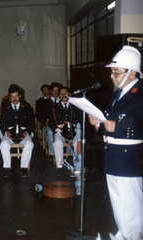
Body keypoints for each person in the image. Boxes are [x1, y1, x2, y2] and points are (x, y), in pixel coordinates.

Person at [89, 46, 143, 240]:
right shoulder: (117, 94)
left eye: (116, 72)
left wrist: (116, 128)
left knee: (131, 205)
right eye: (112, 72)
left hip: (128, 160)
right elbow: (110, 124)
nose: (112, 76)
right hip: (113, 156)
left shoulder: (139, 94)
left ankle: (134, 236)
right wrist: (99, 124)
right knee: (118, 202)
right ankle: (123, 233)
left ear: (132, 72)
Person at [0, 85, 34, 178]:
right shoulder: (5, 108)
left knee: (29, 144)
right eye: (12, 97)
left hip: (23, 133)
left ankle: (23, 167)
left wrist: (26, 132)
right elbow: (2, 124)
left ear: (20, 96)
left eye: (16, 96)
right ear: (9, 98)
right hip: (10, 133)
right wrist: (7, 132)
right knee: (3, 144)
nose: (14, 98)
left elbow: (31, 123)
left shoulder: (26, 107)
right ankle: (7, 167)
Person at [49, 86, 82, 172]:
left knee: (77, 143)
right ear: (59, 96)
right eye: (61, 93)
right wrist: (56, 129)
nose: (64, 95)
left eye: (65, 92)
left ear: (69, 94)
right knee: (57, 142)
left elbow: (81, 119)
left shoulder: (75, 106)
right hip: (60, 130)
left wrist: (77, 128)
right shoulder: (54, 107)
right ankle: (60, 166)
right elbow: (51, 122)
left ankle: (77, 165)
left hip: (73, 130)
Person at [40, 82, 63, 161]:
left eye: (57, 91)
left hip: (61, 124)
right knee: (50, 132)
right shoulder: (46, 102)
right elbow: (42, 115)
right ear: (50, 92)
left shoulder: (62, 101)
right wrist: (45, 122)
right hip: (50, 123)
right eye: (53, 91)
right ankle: (52, 153)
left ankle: (67, 153)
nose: (55, 93)